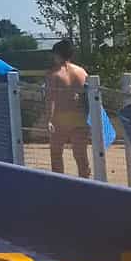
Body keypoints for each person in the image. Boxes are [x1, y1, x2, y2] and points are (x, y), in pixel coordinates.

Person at [46, 38, 90, 178]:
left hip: (60, 118)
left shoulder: (54, 74)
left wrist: (49, 119)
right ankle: (86, 185)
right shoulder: (82, 72)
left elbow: (51, 99)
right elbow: (88, 97)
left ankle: (59, 184)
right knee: (81, 156)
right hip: (79, 117)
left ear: (58, 54)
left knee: (56, 154)